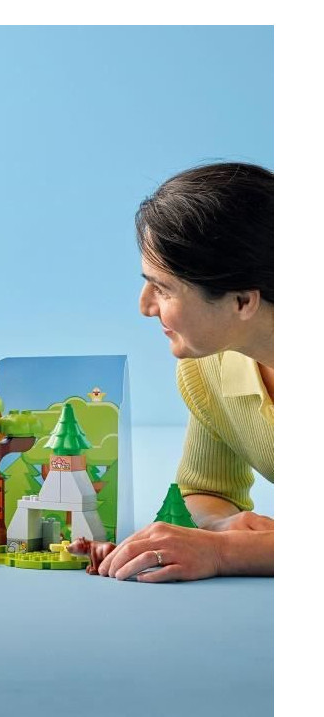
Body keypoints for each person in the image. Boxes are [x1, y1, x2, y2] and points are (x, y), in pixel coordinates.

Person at [98, 162, 274, 582]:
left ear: (243, 301)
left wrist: (224, 552)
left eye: (163, 288)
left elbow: (224, 548)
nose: (145, 306)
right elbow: (206, 491)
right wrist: (219, 525)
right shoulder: (207, 369)